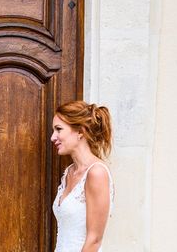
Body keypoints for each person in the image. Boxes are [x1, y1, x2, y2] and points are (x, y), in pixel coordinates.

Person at [51, 100, 114, 252]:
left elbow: (94, 240)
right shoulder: (69, 172)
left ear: (80, 131)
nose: (53, 137)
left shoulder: (96, 173)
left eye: (58, 129)